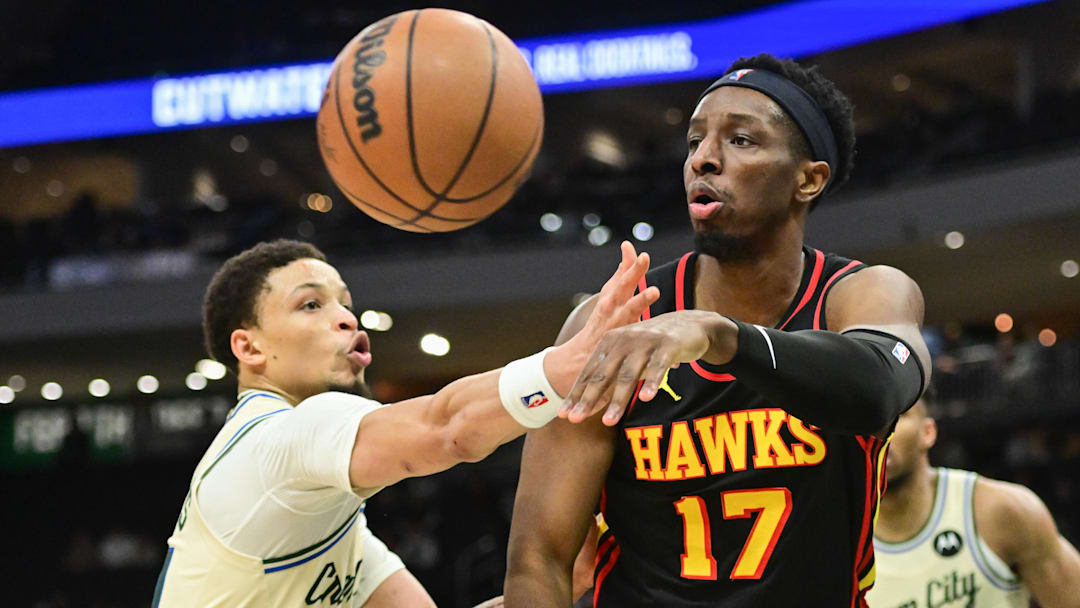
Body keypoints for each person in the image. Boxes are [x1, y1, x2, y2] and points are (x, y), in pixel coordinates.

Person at [504, 53, 931, 607]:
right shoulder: (612, 322)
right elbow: (538, 558)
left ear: (808, 179)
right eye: (694, 142)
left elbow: (877, 389)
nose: (703, 160)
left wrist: (723, 337)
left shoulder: (859, 294)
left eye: (741, 140)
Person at [152, 238, 659, 607]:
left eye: (346, 305)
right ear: (250, 347)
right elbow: (447, 428)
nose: (349, 319)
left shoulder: (328, 523)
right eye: (311, 304)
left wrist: (556, 585)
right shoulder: (277, 442)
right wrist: (560, 369)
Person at [867, 396, 1080, 607]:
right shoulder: (839, 553)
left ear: (928, 432)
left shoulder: (1004, 510)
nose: (879, 432)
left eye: (897, 416)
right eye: (866, 421)